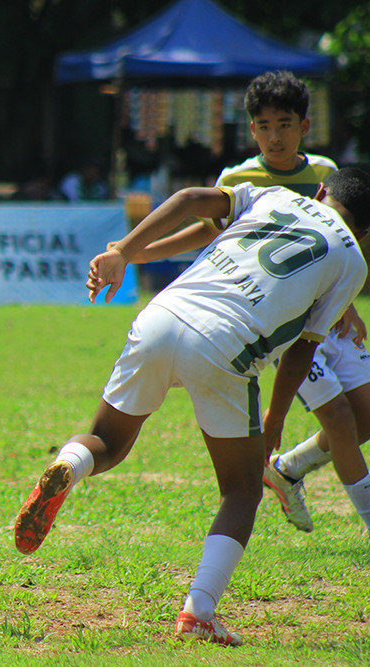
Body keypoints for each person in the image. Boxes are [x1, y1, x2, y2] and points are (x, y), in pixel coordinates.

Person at [13, 167, 370, 647]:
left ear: (324, 191)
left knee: (108, 442)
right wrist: (275, 418)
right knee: (242, 490)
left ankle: (67, 465)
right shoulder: (352, 259)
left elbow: (189, 199)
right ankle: (198, 611)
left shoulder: (275, 195)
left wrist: (122, 250)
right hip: (226, 342)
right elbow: (304, 348)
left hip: (163, 313)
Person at [119, 70, 370, 535]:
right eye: (265, 126)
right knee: (336, 416)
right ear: (251, 129)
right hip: (271, 320)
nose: (275, 137)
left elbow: (340, 252)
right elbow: (209, 233)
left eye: (285, 124)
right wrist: (136, 251)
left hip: (322, 314)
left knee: (365, 418)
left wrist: (347, 304)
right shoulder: (239, 177)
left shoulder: (325, 173)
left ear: (305, 127)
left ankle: (288, 468)